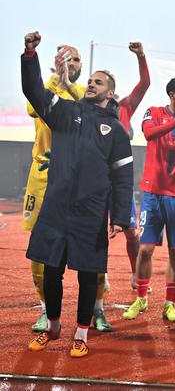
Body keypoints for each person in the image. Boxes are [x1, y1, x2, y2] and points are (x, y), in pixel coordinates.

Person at [22, 31, 133, 358]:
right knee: (51, 269)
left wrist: (121, 216)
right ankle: (54, 324)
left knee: (88, 273)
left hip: (91, 211)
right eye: (92, 80)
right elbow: (34, 90)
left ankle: (81, 333)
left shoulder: (116, 130)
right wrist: (31, 56)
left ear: (110, 93)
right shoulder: (66, 113)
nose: (93, 84)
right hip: (56, 207)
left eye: (99, 82)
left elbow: (123, 177)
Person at [122, 76, 175, 323]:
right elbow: (148, 134)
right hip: (153, 193)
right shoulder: (153, 112)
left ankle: (169, 304)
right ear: (172, 94)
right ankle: (141, 298)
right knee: (145, 249)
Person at [22, 42, 87, 332]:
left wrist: (66, 82)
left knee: (89, 248)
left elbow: (89, 113)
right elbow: (31, 106)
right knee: (39, 249)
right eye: (65, 59)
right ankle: (47, 309)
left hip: (76, 179)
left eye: (75, 59)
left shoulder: (84, 93)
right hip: (42, 174)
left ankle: (95, 309)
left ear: (82, 66)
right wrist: (54, 79)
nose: (71, 63)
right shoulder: (47, 89)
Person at [115, 42, 151, 290]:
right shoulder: (86, 109)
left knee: (132, 233)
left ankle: (135, 274)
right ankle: (97, 277)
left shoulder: (124, 108)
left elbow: (145, 84)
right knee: (93, 234)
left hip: (120, 182)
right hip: (93, 181)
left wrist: (141, 56)